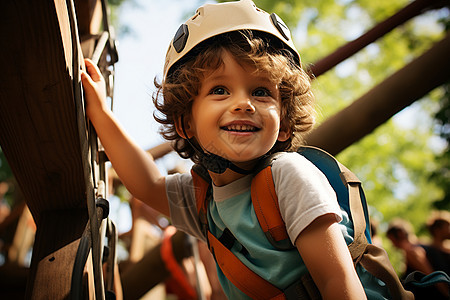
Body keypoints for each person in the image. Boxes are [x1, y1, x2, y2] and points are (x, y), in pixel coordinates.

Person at [82, 1, 390, 298]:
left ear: (282, 123)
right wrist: (99, 112)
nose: (243, 103)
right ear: (185, 122)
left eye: (260, 92)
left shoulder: (289, 176)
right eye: (220, 90)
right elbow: (147, 184)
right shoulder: (205, 200)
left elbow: (336, 281)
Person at [387, 218, 449, 299]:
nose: (393, 245)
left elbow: (433, 277)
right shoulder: (424, 243)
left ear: (400, 234)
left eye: (392, 240)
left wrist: (447, 294)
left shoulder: (411, 251)